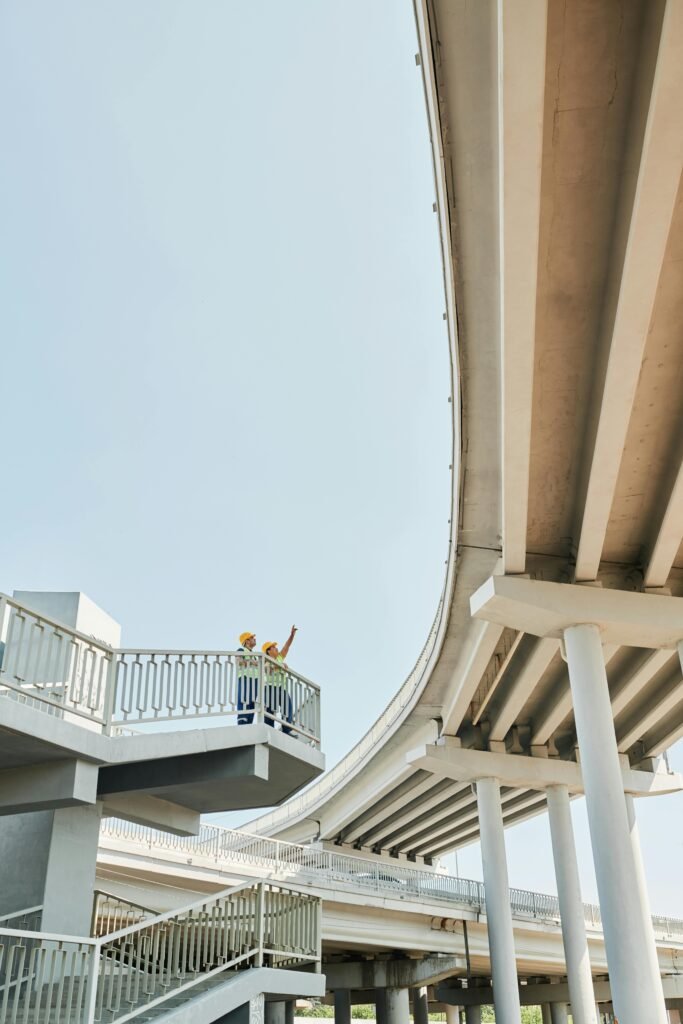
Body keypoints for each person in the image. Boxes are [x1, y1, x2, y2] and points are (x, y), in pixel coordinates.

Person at [261, 625, 298, 734]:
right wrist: (280, 665)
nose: (276, 648)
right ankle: (268, 730)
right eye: (273, 647)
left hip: (282, 688)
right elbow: (268, 668)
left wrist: (291, 635)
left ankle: (286, 730)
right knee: (270, 710)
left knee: (288, 709)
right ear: (268, 651)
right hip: (271, 688)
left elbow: (287, 647)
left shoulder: (279, 658)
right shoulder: (265, 660)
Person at [236, 631, 259, 724]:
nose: (255, 639)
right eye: (252, 638)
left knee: (252, 701)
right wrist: (250, 661)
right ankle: (242, 719)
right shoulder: (241, 650)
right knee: (244, 698)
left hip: (255, 680)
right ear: (247, 641)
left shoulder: (255, 656)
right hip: (245, 677)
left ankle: (249, 721)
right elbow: (239, 661)